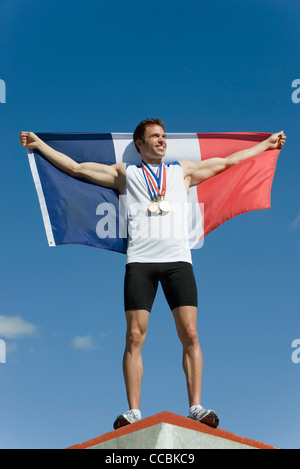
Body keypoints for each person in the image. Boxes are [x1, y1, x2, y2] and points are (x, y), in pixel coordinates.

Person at [20, 120, 286, 430]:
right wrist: (39, 145)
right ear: (140, 145)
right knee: (134, 336)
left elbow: (227, 162)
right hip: (140, 262)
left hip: (178, 261)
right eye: (155, 137)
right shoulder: (125, 174)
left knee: (190, 334)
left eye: (164, 136)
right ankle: (133, 412)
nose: (162, 141)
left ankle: (196, 407)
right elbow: (77, 169)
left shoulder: (182, 171)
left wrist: (265, 145)